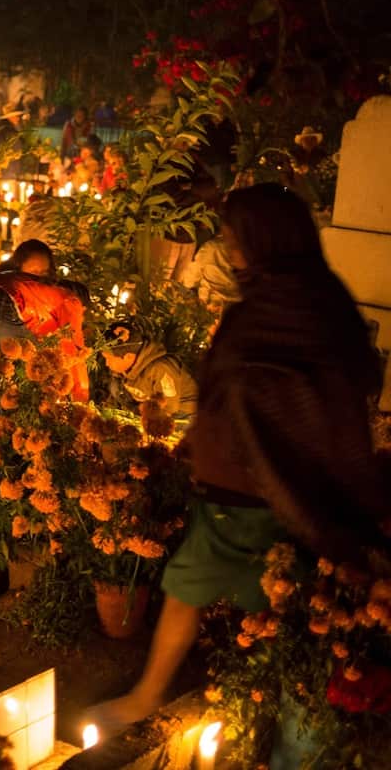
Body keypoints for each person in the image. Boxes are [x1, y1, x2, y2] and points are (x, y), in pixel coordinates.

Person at [87, 183, 389, 734]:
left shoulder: (276, 308)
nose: (228, 250)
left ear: (264, 240)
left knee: (218, 596)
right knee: (271, 608)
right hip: (271, 487)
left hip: (253, 491)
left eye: (234, 239)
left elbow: (278, 397)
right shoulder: (321, 298)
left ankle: (253, 723)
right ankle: (274, 724)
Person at [0, 239, 90, 400]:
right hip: (3, 306)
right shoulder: (70, 298)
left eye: (43, 273)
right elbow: (73, 346)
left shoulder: (17, 283)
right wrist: (81, 395)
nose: (37, 278)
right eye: (33, 272)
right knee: (41, 364)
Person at [101, 320, 198, 425]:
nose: (107, 363)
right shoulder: (123, 369)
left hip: (182, 414)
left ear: (128, 357)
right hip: (149, 409)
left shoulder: (160, 369)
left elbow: (169, 407)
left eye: (109, 358)